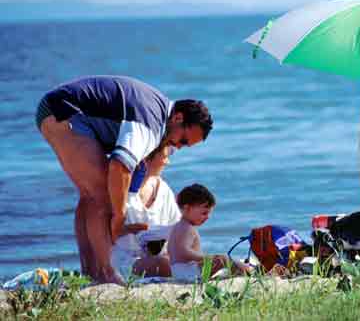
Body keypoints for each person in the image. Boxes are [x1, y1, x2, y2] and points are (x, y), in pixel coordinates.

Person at [36, 75, 213, 284]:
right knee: (101, 195)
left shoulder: (158, 110)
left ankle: (91, 272)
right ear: (178, 118)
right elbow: (119, 165)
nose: (177, 147)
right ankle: (106, 274)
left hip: (57, 108)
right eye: (182, 140)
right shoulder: (151, 123)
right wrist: (118, 218)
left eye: (184, 146)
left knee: (89, 196)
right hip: (64, 112)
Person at [111, 145, 180, 281]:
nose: (167, 162)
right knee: (165, 264)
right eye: (165, 156)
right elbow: (102, 234)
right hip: (125, 262)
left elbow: (177, 230)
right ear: (146, 158)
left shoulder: (163, 190)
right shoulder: (119, 191)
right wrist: (128, 230)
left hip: (158, 258)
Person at [168, 184, 251, 282]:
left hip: (179, 271)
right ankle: (245, 272)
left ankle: (241, 270)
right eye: (204, 213)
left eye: (209, 213)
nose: (208, 217)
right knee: (223, 259)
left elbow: (171, 250)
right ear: (187, 208)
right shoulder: (187, 228)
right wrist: (207, 257)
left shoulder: (177, 227)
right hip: (189, 272)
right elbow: (183, 252)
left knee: (222, 259)